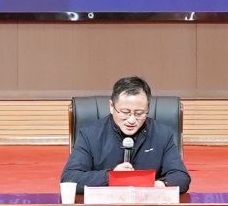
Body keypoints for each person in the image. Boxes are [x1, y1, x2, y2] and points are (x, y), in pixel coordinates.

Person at [61, 76, 192, 193]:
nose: (131, 120)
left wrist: (161, 184)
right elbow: (69, 178)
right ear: (111, 106)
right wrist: (111, 176)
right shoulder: (90, 135)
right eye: (125, 112)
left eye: (139, 113)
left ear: (147, 108)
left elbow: (181, 177)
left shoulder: (162, 134)